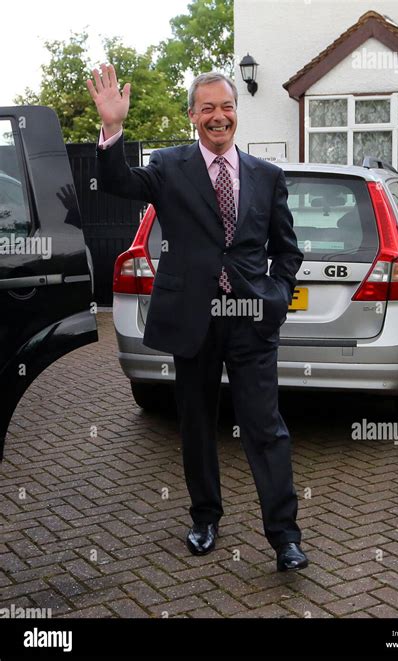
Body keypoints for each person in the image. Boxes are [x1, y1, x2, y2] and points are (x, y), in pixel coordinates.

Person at [87, 63, 308, 572]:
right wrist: (113, 128)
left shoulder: (267, 175)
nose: (218, 116)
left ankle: (285, 537)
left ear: (237, 113)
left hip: (251, 317)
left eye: (226, 106)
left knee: (265, 427)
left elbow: (287, 249)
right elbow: (117, 181)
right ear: (192, 115)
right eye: (207, 107)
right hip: (194, 318)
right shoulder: (168, 166)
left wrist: (275, 296)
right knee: (196, 423)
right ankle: (205, 517)